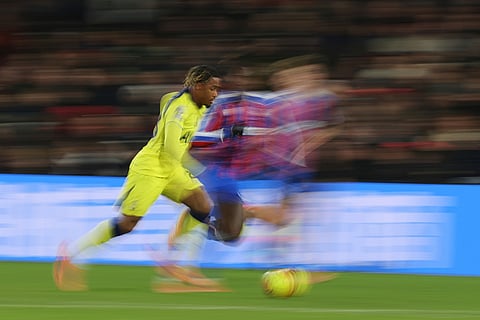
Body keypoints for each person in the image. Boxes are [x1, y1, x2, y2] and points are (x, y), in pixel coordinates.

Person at [157, 55, 342, 291]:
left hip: (255, 170)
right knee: (224, 215)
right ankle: (184, 267)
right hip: (213, 167)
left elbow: (290, 105)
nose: (241, 81)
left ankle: (207, 229)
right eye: (236, 77)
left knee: (238, 231)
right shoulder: (214, 105)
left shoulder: (262, 102)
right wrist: (236, 136)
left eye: (245, 76)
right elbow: (198, 140)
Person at [53, 64, 226, 291]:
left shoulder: (195, 104)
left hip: (171, 168)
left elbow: (175, 115)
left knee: (202, 205)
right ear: (198, 86)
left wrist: (221, 135)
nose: (216, 94)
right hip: (150, 168)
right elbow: (174, 148)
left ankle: (177, 265)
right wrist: (202, 170)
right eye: (212, 88)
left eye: (218, 89)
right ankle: (72, 254)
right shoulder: (180, 109)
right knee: (127, 224)